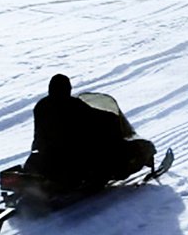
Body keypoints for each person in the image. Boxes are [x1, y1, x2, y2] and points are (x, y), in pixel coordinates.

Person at [24, 74, 156, 190]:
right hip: (72, 151)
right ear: (67, 89)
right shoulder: (73, 105)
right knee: (105, 153)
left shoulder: (42, 105)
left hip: (48, 150)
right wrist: (112, 117)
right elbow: (94, 115)